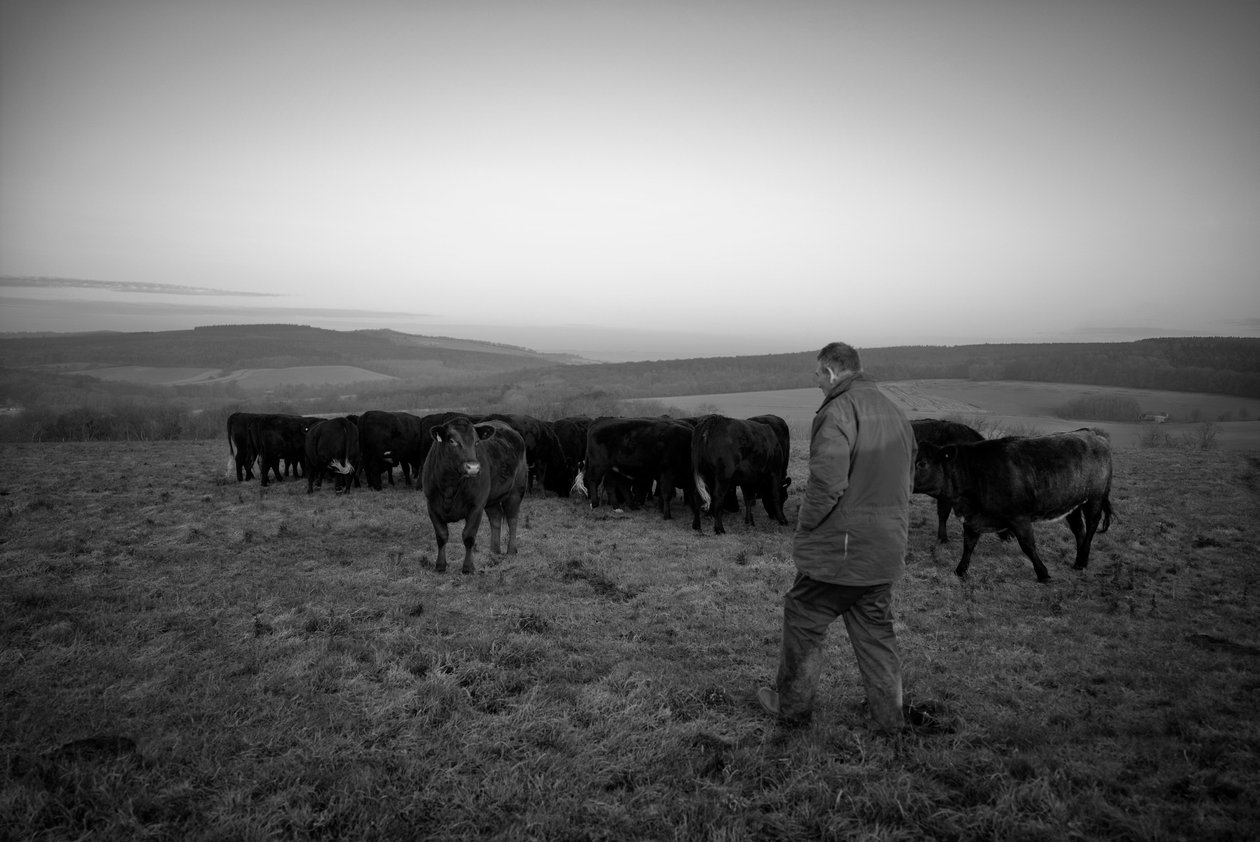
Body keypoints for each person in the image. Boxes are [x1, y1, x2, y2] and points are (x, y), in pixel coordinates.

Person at [757, 341, 917, 733]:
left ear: (830, 372)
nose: (816, 382)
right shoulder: (896, 412)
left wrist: (806, 524)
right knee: (876, 630)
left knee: (803, 615)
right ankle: (889, 719)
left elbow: (827, 482)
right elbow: (906, 480)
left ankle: (792, 710)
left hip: (842, 550)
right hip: (885, 548)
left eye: (817, 375)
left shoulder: (838, 411)